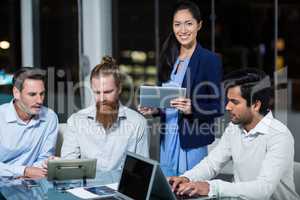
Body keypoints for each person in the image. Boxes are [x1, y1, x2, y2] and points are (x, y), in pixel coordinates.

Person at [169, 69, 300, 200]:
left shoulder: (279, 135)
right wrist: (186, 178)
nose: (227, 107)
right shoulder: (234, 128)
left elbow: (263, 189)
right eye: (228, 100)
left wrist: (212, 187)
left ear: (255, 105)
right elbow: (211, 164)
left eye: (234, 102)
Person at [139, 0, 222, 175]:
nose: (183, 30)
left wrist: (193, 107)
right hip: (166, 140)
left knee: (190, 190)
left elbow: (219, 105)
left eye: (188, 24)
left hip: (191, 143)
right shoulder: (168, 57)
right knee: (168, 191)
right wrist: (154, 110)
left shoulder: (209, 59)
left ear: (199, 25)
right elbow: (167, 104)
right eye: (177, 24)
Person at [61, 56, 149, 171]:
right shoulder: (75, 121)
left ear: (119, 89)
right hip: (84, 187)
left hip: (121, 187)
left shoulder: (138, 123)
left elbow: (141, 171)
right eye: (97, 92)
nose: (102, 99)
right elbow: (68, 169)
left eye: (108, 92)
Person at [0, 67, 58, 178]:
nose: (39, 101)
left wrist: (31, 173)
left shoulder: (50, 117)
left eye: (42, 94)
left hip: (32, 182)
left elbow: (44, 158)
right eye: (32, 94)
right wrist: (24, 171)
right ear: (16, 93)